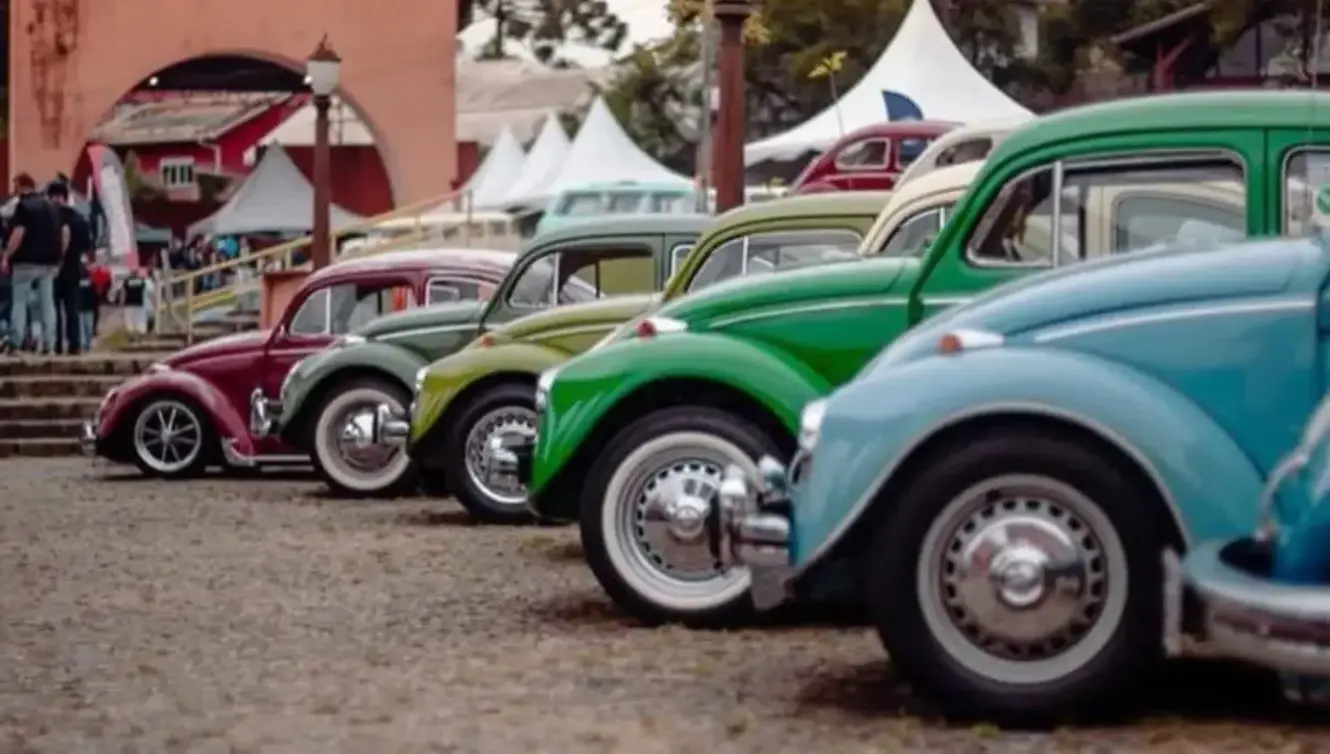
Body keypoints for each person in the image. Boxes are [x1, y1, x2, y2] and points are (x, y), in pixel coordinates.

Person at [1, 173, 65, 355]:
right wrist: (58, 258)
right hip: (49, 262)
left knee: (19, 301)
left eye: (15, 187)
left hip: (26, 262)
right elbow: (60, 233)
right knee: (47, 303)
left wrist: (6, 255)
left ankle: (16, 340)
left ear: (21, 187)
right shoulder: (51, 207)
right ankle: (49, 343)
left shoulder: (23, 206)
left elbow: (18, 234)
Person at [47, 181, 93, 355]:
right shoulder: (79, 218)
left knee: (54, 309)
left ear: (53, 197)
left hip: (54, 268)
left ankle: (57, 343)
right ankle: (75, 344)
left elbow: (64, 234)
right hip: (74, 269)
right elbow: (88, 246)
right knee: (72, 308)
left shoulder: (51, 216)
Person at [75, 255, 96, 351]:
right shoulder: (77, 279)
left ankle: (87, 344)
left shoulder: (91, 279)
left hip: (86, 307)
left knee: (86, 327)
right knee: (83, 327)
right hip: (82, 307)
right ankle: (84, 344)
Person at [121, 268, 150, 335]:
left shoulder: (127, 281)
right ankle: (140, 333)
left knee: (129, 320)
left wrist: (121, 303)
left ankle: (131, 334)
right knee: (140, 320)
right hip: (139, 303)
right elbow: (145, 292)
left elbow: (123, 293)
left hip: (129, 303)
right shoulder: (141, 280)